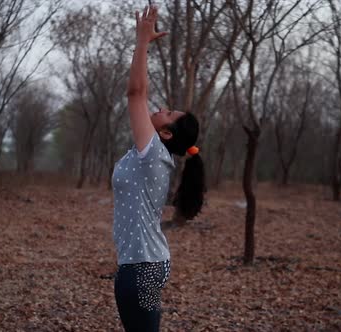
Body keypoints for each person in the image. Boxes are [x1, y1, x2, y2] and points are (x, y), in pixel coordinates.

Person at [112, 5, 206, 332]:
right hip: (145, 263)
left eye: (168, 113)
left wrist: (142, 43)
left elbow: (136, 93)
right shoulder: (150, 153)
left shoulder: (152, 153)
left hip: (142, 268)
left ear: (165, 133)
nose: (162, 107)